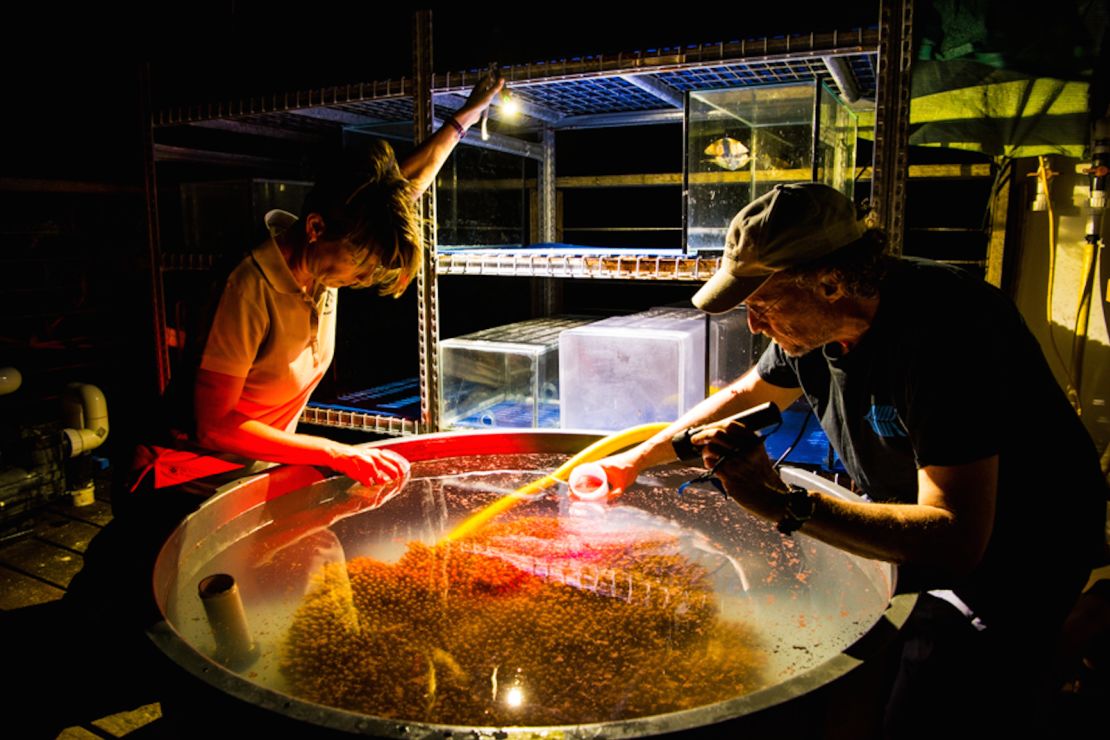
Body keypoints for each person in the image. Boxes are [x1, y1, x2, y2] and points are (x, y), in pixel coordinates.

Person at [594, 182, 1108, 737]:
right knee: (871, 682)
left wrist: (780, 504)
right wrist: (634, 462)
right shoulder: (815, 324)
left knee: (947, 699)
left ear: (831, 282)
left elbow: (956, 538)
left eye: (761, 304)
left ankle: (1073, 635)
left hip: (1021, 546)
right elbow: (748, 393)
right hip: (917, 520)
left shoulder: (950, 334)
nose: (753, 323)